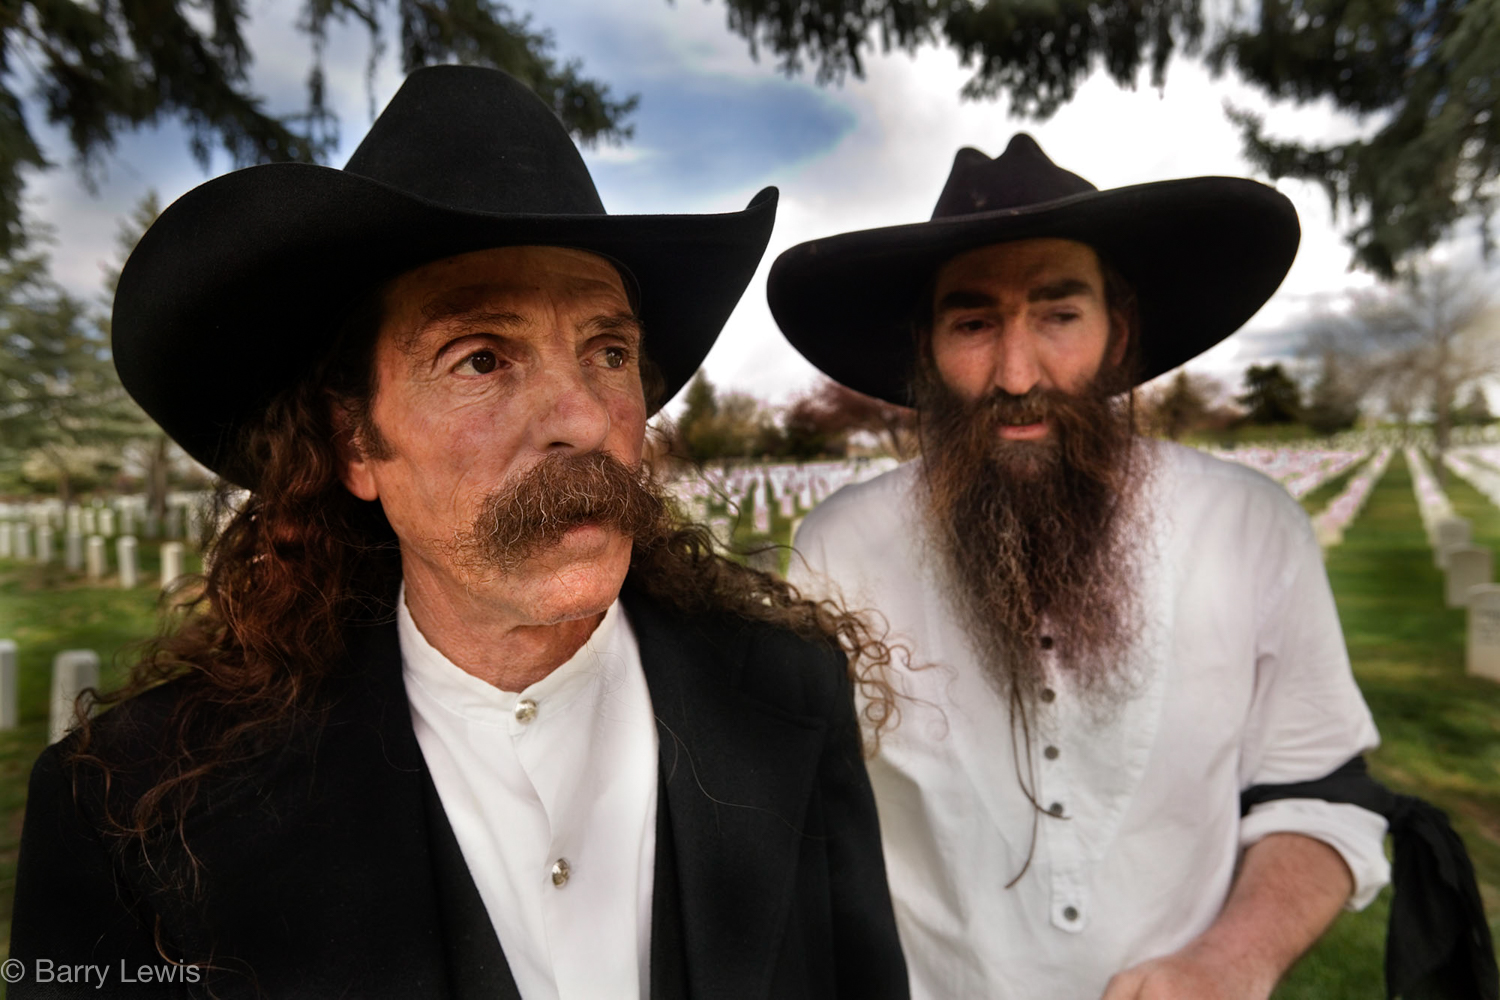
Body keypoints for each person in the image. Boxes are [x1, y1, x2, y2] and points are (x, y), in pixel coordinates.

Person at [11, 66, 908, 1000]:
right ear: (354, 439)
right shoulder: (134, 816)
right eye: (481, 357)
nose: (585, 419)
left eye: (609, 352)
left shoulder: (789, 695)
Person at [768, 135, 1390, 1000]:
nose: (1017, 374)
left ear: (1117, 331)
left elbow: (1320, 791)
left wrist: (1228, 964)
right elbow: (798, 825)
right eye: (975, 323)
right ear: (927, 349)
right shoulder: (838, 545)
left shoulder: (1250, 526)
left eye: (1060, 315)